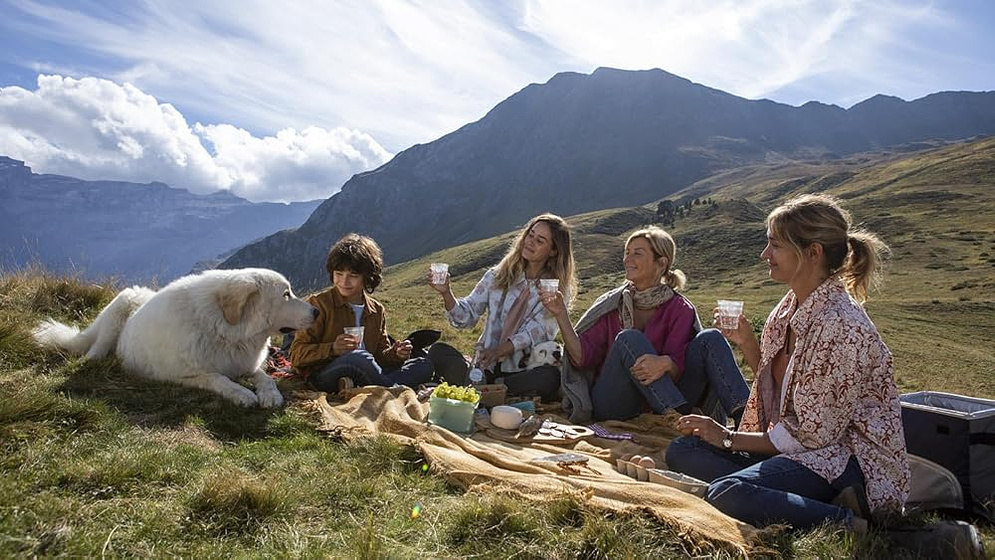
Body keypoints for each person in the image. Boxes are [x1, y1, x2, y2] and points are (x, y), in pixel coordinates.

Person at [665, 194, 910, 533]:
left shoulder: (841, 325)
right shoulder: (789, 307)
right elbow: (779, 393)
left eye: (775, 245)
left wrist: (727, 438)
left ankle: (855, 523)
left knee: (727, 492)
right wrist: (749, 344)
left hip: (844, 462)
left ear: (812, 253)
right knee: (682, 450)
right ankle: (788, 500)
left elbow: (812, 435)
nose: (765, 255)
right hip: (798, 449)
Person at [553, 226, 750, 425]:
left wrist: (666, 363)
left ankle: (748, 418)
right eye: (626, 253)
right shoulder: (613, 304)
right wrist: (561, 314)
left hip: (663, 398)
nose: (627, 259)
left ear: (661, 263)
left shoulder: (679, 308)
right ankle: (677, 413)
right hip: (615, 402)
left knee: (711, 337)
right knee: (629, 338)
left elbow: (681, 363)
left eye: (637, 253)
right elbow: (581, 359)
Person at [427, 213, 576, 402]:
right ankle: (491, 390)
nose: (530, 242)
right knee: (438, 351)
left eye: (540, 241)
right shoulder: (497, 275)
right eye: (530, 235)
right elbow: (467, 316)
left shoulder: (556, 289)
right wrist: (446, 293)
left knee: (549, 377)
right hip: (485, 364)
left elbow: (538, 331)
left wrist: (499, 351)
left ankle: (485, 389)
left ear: (553, 251)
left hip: (523, 369)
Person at [289, 233, 433, 392]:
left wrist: (396, 354)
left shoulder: (376, 310)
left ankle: (362, 388)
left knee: (423, 364)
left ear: (367, 276)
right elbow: (296, 355)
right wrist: (332, 349)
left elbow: (381, 357)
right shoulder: (319, 304)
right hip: (325, 374)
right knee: (359, 358)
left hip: (367, 371)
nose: (344, 282)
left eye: (353, 275)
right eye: (339, 274)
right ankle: (392, 390)